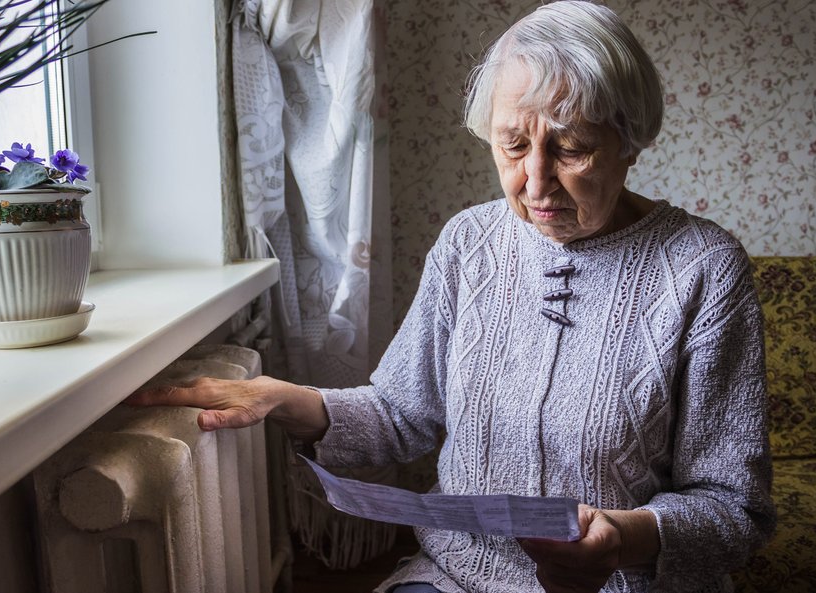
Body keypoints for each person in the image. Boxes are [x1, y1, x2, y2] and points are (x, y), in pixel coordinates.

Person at [128, 2, 775, 591]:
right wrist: (288, 399)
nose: (536, 181)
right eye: (512, 145)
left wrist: (626, 538)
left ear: (630, 141)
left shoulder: (703, 269)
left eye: (572, 148)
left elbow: (733, 507)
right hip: (456, 577)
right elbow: (402, 412)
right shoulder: (470, 244)